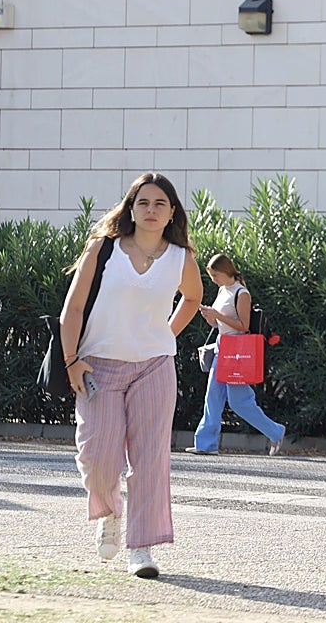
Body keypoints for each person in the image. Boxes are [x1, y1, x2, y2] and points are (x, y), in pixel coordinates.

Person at [60, 172, 203, 579]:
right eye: (144, 203)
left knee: (150, 460)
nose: (152, 210)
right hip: (97, 365)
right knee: (98, 455)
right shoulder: (103, 249)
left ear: (172, 211)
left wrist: (166, 334)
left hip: (154, 367)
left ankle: (141, 548)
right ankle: (110, 513)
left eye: (160, 203)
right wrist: (72, 360)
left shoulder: (181, 259)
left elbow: (193, 298)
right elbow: (72, 309)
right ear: (131, 208)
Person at [186, 253, 287, 457]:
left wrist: (218, 316)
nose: (213, 279)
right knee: (212, 397)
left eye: (215, 275)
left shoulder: (242, 293)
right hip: (222, 347)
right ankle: (206, 444)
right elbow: (219, 324)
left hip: (236, 351)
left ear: (225, 272)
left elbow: (244, 326)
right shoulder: (223, 290)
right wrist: (211, 318)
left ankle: (275, 431)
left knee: (239, 401)